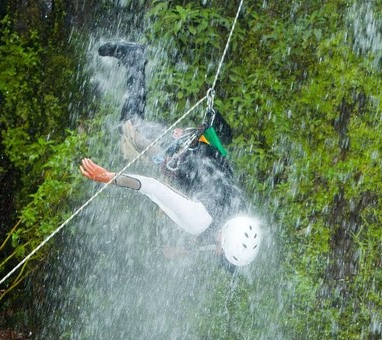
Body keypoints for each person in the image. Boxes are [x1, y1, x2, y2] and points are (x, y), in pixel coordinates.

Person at [80, 41, 262, 269]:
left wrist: (188, 249)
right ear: (224, 241)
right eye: (221, 253)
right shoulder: (200, 221)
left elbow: (216, 234)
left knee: (136, 143)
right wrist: (110, 177)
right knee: (129, 127)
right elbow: (153, 188)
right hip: (173, 153)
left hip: (199, 149)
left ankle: (135, 62)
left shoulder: (240, 213)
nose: (217, 253)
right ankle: (135, 59)